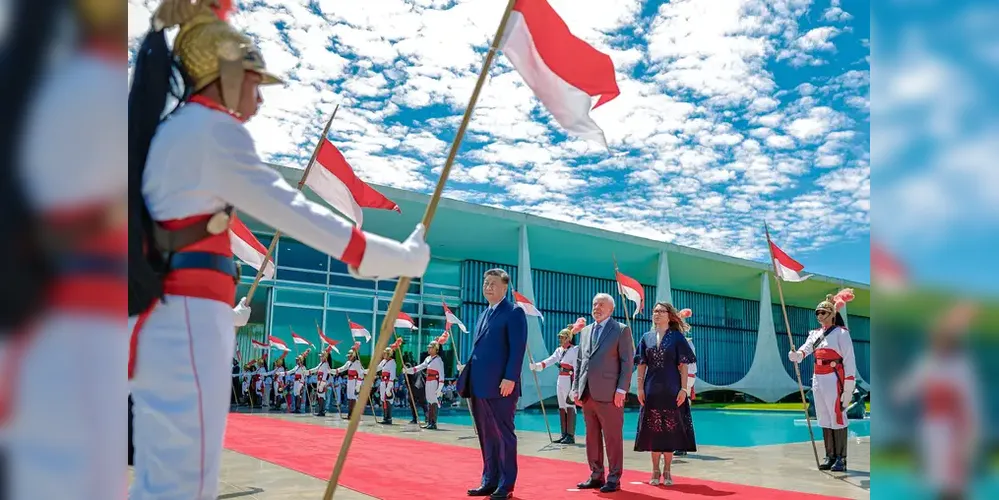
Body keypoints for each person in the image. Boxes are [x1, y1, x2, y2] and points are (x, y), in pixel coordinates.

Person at [128, 1, 430, 496]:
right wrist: (400, 258)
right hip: (186, 320)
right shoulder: (213, 131)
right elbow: (300, 216)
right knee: (184, 482)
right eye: (252, 80)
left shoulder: (171, 131)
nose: (260, 98)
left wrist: (228, 317)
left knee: (164, 476)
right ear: (222, 75)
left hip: (168, 315)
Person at [457, 268, 528, 500]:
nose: (488, 287)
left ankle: (506, 485)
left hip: (501, 386)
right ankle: (489, 479)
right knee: (486, 434)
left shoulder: (514, 312)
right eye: (486, 283)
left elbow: (517, 349)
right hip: (479, 385)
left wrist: (510, 377)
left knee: (504, 435)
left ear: (505, 288)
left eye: (493, 284)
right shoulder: (483, 314)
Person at [570, 293, 635, 493]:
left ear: (611, 309)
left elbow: (627, 362)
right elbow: (580, 361)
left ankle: (614, 478)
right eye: (594, 304)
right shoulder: (586, 331)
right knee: (591, 437)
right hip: (587, 393)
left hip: (610, 394)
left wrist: (621, 389)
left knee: (612, 438)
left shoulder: (621, 330)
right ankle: (596, 475)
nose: (596, 308)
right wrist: (575, 389)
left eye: (601, 305)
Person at [788, 288, 857, 472]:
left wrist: (849, 388)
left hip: (835, 379)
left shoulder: (841, 333)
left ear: (832, 314)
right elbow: (806, 348)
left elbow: (849, 360)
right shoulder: (815, 333)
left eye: (823, 312)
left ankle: (841, 458)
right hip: (818, 378)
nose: (820, 315)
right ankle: (830, 455)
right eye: (817, 312)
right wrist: (798, 355)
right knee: (824, 417)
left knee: (837, 416)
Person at [635, 302, 697, 486]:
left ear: (669, 315)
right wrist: (639, 388)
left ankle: (668, 470)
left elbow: (683, 365)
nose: (657, 314)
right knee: (654, 431)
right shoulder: (646, 337)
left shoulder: (677, 337)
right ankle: (655, 470)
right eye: (655, 311)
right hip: (651, 389)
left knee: (669, 430)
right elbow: (641, 365)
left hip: (672, 388)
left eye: (661, 311)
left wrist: (684, 389)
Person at [529, 318, 585, 444]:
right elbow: (550, 360)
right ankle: (563, 434)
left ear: (568, 338)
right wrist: (537, 366)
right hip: (561, 379)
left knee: (570, 406)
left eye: (563, 337)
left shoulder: (575, 350)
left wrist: (574, 388)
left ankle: (570, 436)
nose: (560, 340)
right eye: (560, 337)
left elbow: (577, 369)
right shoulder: (559, 351)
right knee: (561, 407)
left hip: (569, 381)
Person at [405, 333, 449, 429]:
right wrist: (409, 370)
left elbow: (441, 375)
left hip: (434, 382)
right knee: (429, 400)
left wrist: (439, 389)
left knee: (434, 401)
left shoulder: (438, 360)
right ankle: (429, 421)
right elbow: (420, 367)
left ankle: (433, 423)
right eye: (428, 347)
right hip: (428, 381)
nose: (429, 349)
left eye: (431, 348)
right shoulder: (428, 359)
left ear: (436, 349)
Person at [674, 309, 696, 457]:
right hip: (672, 379)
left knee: (679, 411)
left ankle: (681, 444)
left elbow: (690, 364)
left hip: (683, 378)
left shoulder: (685, 343)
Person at [333, 342, 366, 416]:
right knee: (350, 397)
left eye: (349, 356)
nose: (348, 357)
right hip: (350, 381)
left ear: (353, 356)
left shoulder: (357, 363)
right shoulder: (348, 363)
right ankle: (350, 413)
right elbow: (342, 368)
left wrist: (358, 385)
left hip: (355, 382)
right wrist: (334, 371)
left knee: (354, 398)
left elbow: (361, 374)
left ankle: (354, 414)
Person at [378, 338, 403, 424]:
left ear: (389, 354)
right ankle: (385, 417)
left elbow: (392, 376)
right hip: (382, 382)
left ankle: (389, 418)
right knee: (383, 399)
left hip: (388, 382)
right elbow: (377, 368)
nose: (383, 354)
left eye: (385, 353)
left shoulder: (392, 362)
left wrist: (389, 387)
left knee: (388, 399)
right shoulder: (383, 361)